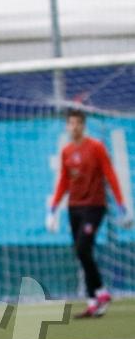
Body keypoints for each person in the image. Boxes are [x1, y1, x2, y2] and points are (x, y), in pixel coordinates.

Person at [46, 108, 130, 318]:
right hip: (74, 207)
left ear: (83, 126)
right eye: (71, 123)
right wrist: (53, 209)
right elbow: (63, 181)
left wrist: (121, 204)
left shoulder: (96, 147)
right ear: (67, 126)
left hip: (94, 206)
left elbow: (110, 175)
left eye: (78, 123)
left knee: (83, 247)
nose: (74, 127)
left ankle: (100, 291)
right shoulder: (66, 151)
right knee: (82, 252)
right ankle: (94, 302)